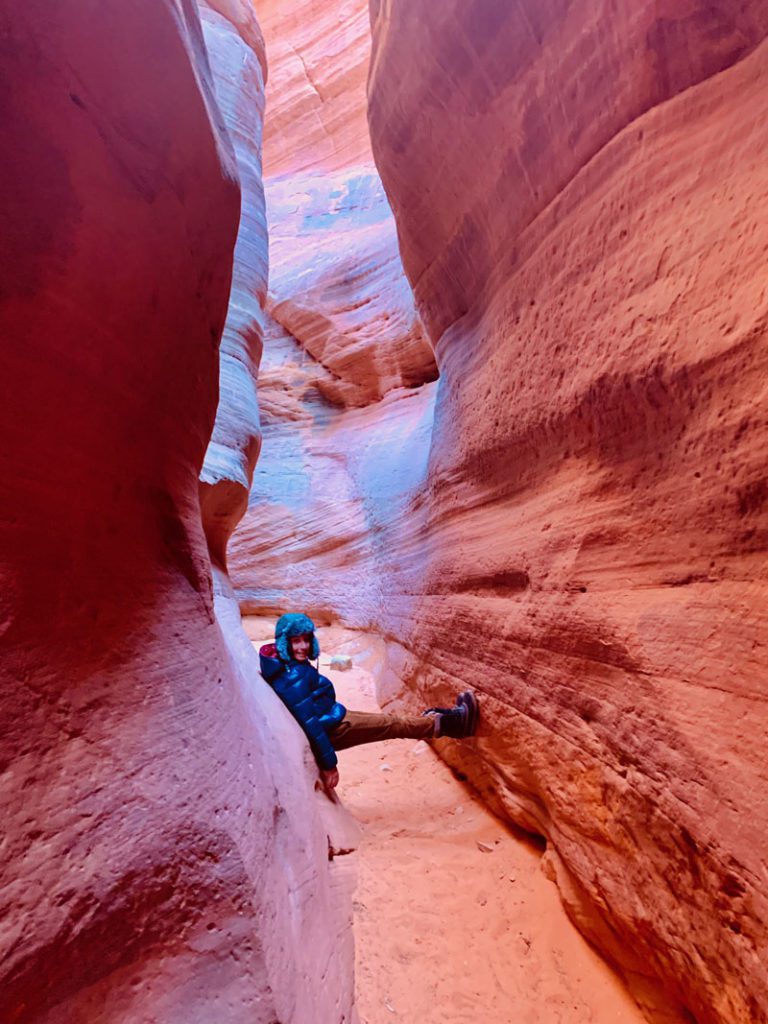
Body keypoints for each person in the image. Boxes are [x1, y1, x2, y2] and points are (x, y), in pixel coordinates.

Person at [259, 612, 479, 791]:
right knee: (392, 725)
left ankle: (437, 721)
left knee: (391, 722)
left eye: (306, 640)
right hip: (333, 728)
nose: (303, 647)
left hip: (334, 716)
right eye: (296, 641)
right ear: (284, 643)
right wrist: (329, 766)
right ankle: (454, 725)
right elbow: (311, 726)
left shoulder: (287, 665)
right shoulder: (292, 677)